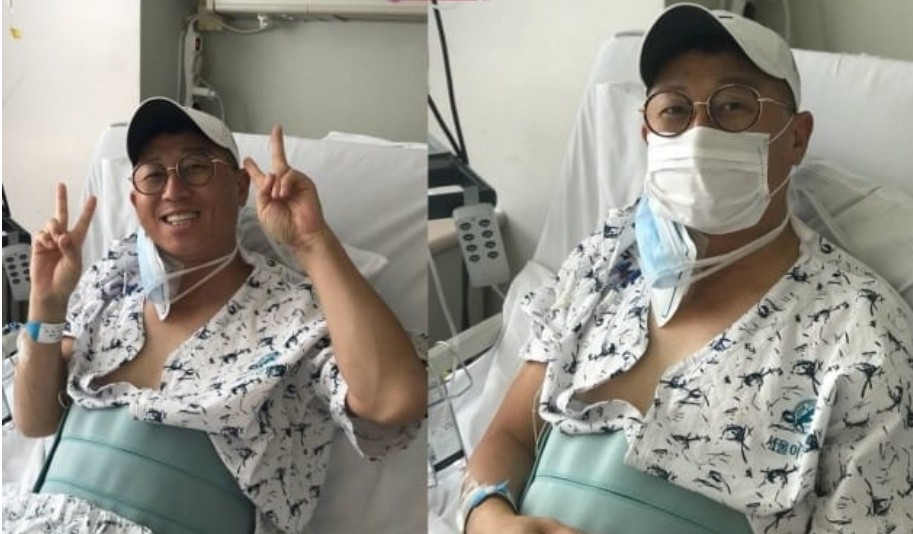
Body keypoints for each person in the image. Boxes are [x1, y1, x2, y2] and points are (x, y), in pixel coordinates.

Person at [460, 5, 913, 534]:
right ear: (647, 134)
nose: (699, 132)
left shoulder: (863, 334)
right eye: (674, 110)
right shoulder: (605, 260)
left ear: (796, 137)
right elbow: (508, 437)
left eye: (733, 105)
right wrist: (487, 518)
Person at [6, 98, 426, 533]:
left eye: (195, 167)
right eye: (153, 175)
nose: (173, 190)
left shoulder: (296, 314)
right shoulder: (113, 282)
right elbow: (36, 421)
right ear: (134, 200)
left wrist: (313, 242)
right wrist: (46, 303)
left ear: (241, 187)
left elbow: (394, 398)